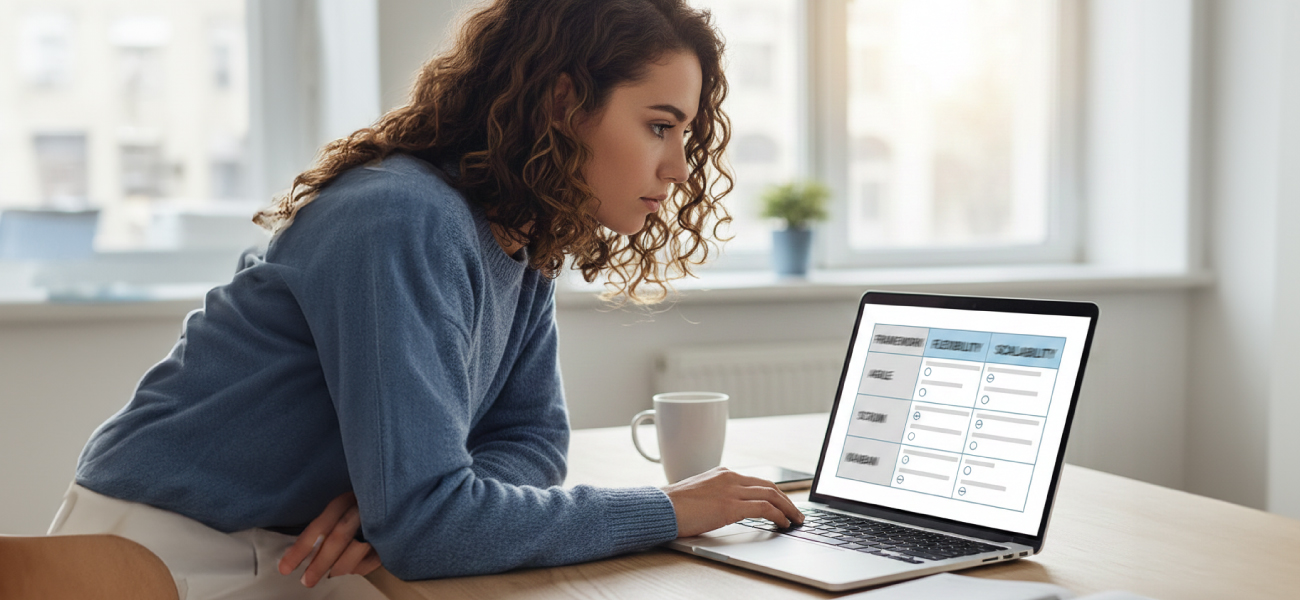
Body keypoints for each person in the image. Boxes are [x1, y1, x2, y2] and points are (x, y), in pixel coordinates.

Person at [48, 0, 804, 598]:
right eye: (659, 126)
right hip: (154, 559)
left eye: (685, 135)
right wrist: (672, 510)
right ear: (565, 102)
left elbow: (534, 444)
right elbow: (433, 528)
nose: (677, 168)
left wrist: (405, 507)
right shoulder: (401, 218)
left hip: (299, 549)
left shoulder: (524, 237)